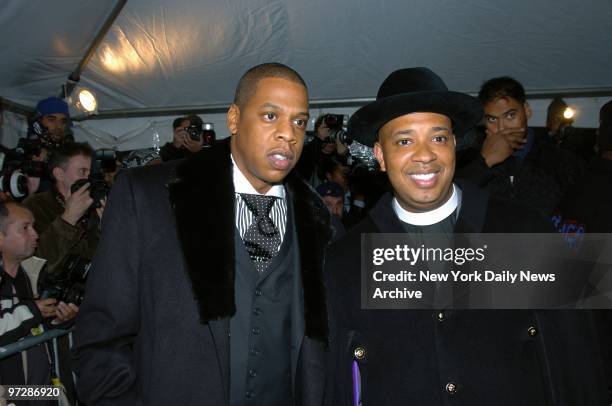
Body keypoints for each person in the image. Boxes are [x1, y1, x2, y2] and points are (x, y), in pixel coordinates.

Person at [324, 67, 607, 405]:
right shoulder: (346, 259)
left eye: (438, 137)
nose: (425, 154)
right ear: (381, 156)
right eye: (404, 141)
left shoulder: (525, 231)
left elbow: (579, 359)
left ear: (455, 145)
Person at [72, 63, 337, 405]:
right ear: (234, 119)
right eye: (271, 116)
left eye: (299, 121)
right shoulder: (150, 197)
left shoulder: (322, 223)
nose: (289, 133)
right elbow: (100, 338)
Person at [455, 76, 584, 217]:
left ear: (527, 110)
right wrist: (484, 162)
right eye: (492, 119)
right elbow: (450, 202)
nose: (502, 128)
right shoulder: (467, 159)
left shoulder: (560, 160)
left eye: (510, 116)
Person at [0, 202, 78, 404]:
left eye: (33, 227)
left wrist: (58, 322)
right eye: (25, 228)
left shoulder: (29, 275)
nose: (35, 234)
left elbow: (28, 328)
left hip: (40, 392)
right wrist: (33, 310)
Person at [23, 142, 102, 277]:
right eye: (82, 172)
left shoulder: (96, 206)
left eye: (91, 172)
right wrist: (68, 219)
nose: (89, 179)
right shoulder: (35, 205)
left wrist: (105, 226)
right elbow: (38, 262)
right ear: (59, 174)